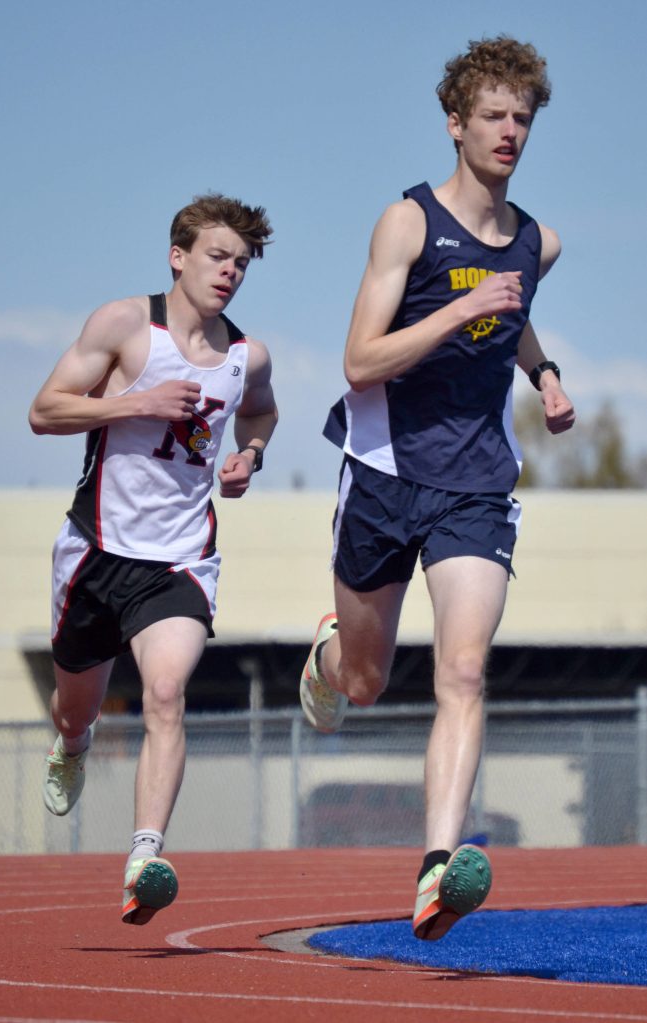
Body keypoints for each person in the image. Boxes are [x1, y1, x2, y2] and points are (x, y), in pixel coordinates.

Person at [300, 36, 575, 941]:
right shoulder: (406, 223)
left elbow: (517, 308)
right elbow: (357, 359)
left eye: (522, 118)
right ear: (454, 125)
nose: (509, 132)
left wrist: (543, 375)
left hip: (474, 484)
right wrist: (458, 308)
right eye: (492, 116)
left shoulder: (539, 241)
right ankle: (332, 656)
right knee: (371, 680)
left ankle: (434, 867)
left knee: (463, 668)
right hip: (383, 473)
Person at [29, 193, 277, 925]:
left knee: (166, 691)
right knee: (74, 704)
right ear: (178, 256)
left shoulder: (245, 355)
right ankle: (73, 741)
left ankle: (144, 857)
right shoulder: (125, 326)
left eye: (240, 262)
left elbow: (261, 407)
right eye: (215, 256)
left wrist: (250, 455)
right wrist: (135, 403)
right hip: (97, 551)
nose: (228, 272)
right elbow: (44, 410)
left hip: (180, 558)